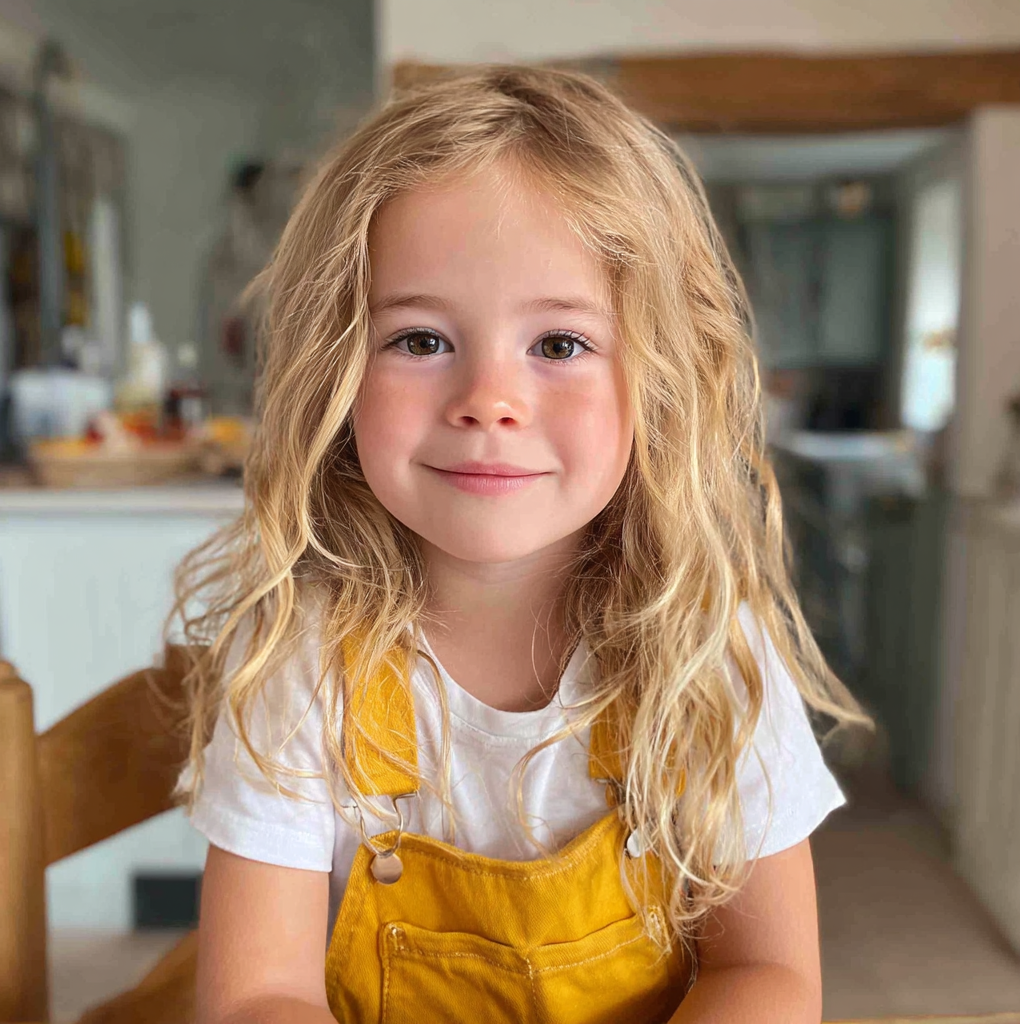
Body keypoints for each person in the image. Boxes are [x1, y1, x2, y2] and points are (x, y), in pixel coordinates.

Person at [174, 65, 866, 1024]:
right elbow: (257, 994)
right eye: (419, 341)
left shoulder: (711, 648)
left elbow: (770, 976)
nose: (488, 401)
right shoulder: (303, 661)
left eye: (559, 345)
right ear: (334, 367)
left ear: (657, 377)